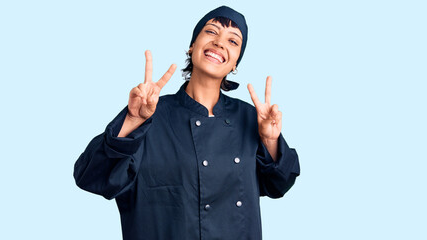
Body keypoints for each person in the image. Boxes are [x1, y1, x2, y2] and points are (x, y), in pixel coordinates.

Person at [74, 5, 300, 240]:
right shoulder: (149, 115)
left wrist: (270, 141)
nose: (220, 43)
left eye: (233, 41)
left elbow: (279, 185)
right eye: (211, 32)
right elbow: (90, 177)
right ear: (193, 44)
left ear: (235, 64)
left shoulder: (251, 118)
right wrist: (132, 120)